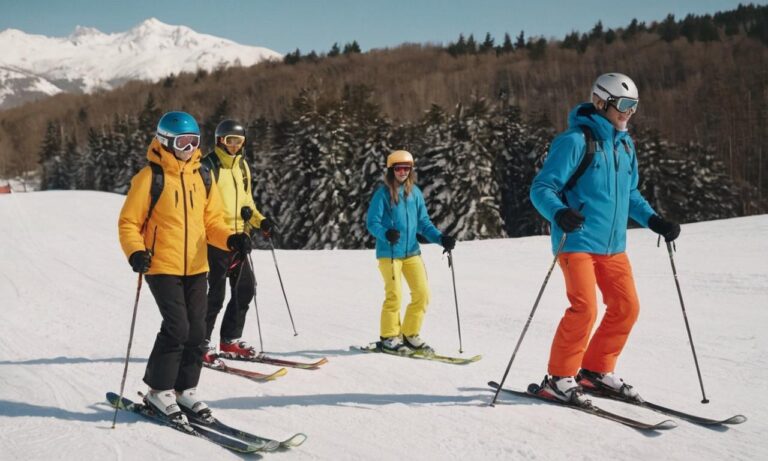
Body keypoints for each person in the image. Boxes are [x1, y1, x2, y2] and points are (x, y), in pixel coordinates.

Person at [530, 73, 681, 404]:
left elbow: (630, 193)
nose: (628, 113)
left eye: (634, 106)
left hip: (613, 245)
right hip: (577, 240)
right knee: (584, 308)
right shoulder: (573, 141)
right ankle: (559, 377)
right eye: (623, 105)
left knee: (627, 307)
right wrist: (559, 213)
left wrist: (654, 220)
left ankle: (595, 371)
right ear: (601, 102)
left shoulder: (625, 144)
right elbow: (541, 188)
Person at [118, 111, 253, 423]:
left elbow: (213, 221)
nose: (189, 148)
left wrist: (231, 238)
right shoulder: (150, 178)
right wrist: (136, 252)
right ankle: (158, 390)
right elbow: (128, 222)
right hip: (160, 264)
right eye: (182, 142)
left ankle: (185, 389)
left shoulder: (202, 176)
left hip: (195, 265)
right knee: (177, 326)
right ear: (166, 142)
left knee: (198, 329)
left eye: (194, 141)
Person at [366, 150, 456, 354]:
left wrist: (441, 239)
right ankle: (389, 336)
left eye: (406, 168)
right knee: (395, 295)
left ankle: (410, 334)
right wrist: (385, 233)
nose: (402, 172)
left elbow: (423, 223)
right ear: (391, 170)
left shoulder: (414, 193)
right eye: (398, 168)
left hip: (412, 252)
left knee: (422, 294)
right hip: (389, 253)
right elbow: (372, 222)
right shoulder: (383, 194)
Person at [200, 119, 272, 363]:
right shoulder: (208, 166)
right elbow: (203, 207)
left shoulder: (242, 166)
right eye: (229, 140)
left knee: (245, 290)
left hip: (241, 239)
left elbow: (247, 202)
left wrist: (260, 222)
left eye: (238, 141)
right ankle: (200, 343)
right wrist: (226, 234)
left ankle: (229, 340)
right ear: (220, 140)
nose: (233, 145)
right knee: (215, 296)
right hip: (216, 240)